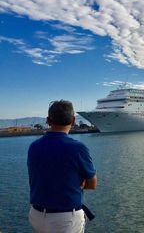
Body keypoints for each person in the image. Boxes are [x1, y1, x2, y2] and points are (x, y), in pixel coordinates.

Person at [27, 100, 97, 233]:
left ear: (48, 120)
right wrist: (80, 183)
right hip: (65, 220)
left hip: (36, 215)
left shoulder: (34, 146)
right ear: (73, 120)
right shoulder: (78, 148)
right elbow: (92, 184)